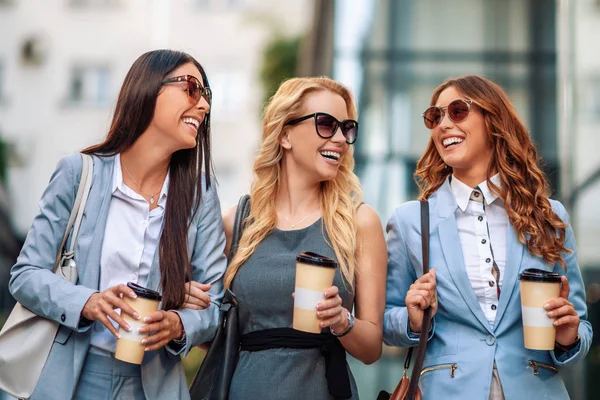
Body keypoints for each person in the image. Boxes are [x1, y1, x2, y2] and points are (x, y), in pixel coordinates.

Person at [9, 49, 227, 400]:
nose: (203, 106)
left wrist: (178, 323)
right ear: (148, 88)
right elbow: (25, 275)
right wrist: (89, 301)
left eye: (207, 96)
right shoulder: (79, 173)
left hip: (152, 384)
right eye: (191, 88)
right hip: (71, 378)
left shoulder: (200, 194)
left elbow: (214, 305)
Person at [383, 75, 592, 399]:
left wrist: (569, 336)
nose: (443, 125)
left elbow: (582, 329)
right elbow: (385, 322)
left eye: (457, 111)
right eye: (435, 117)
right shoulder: (411, 221)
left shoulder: (549, 217)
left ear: (492, 119)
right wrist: (411, 319)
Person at [219, 77, 387, 399]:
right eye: (326, 124)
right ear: (284, 134)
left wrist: (342, 321)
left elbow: (371, 348)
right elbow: (214, 337)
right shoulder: (237, 222)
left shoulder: (360, 222)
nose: (340, 138)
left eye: (346, 128)